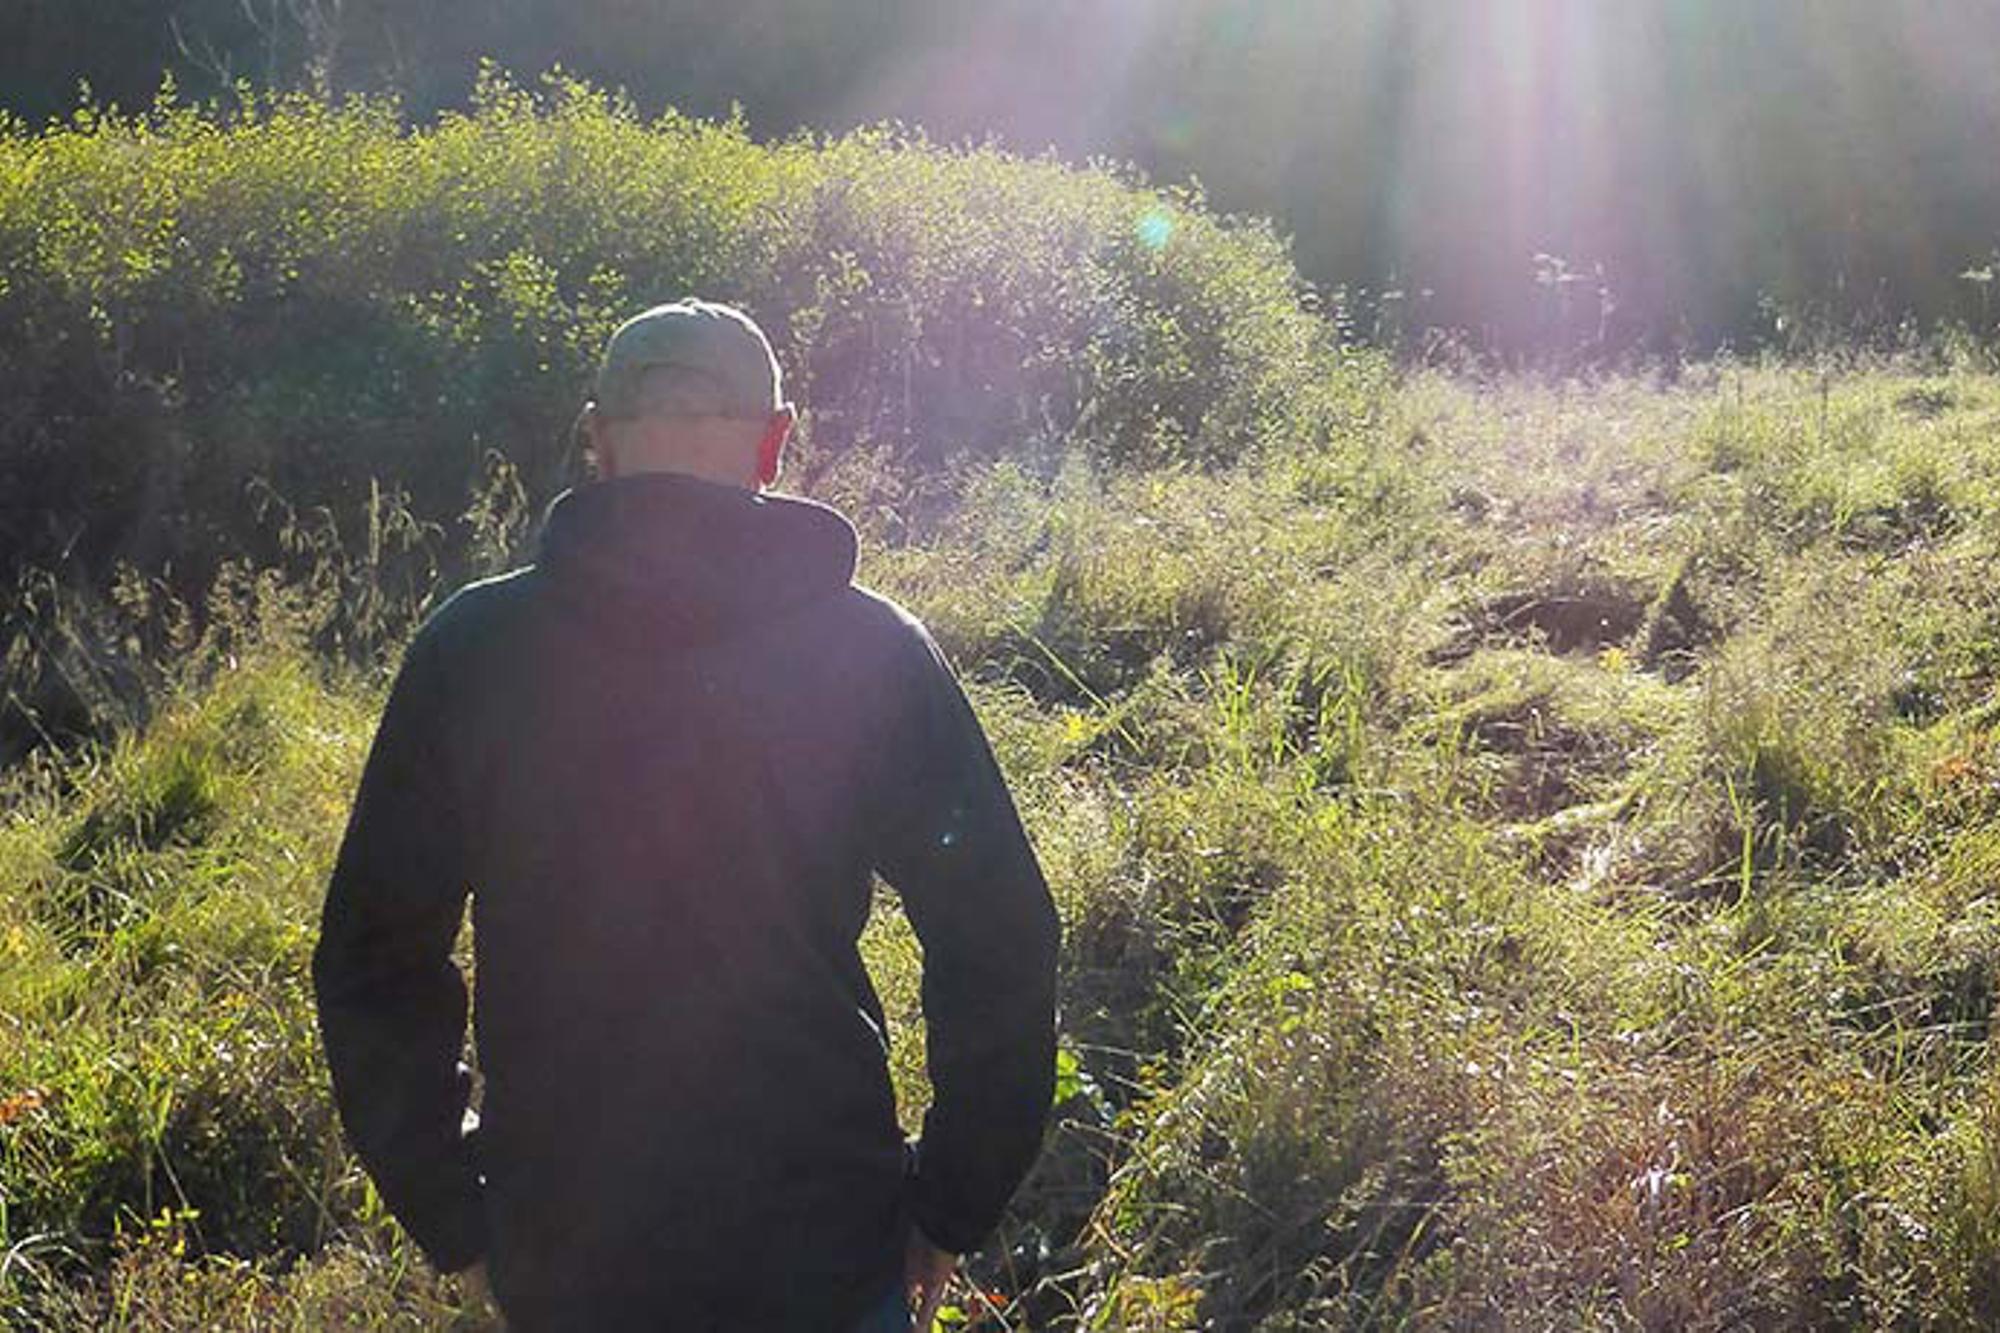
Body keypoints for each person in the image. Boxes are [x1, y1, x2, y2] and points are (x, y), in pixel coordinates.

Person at [313, 299, 1061, 1330]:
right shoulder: (871, 651)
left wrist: (449, 1212)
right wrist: (950, 1203)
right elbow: (1000, 939)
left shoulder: (469, 653)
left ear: (596, 440)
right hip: (825, 1250)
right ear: (774, 442)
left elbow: (374, 960)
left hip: (567, 1254)